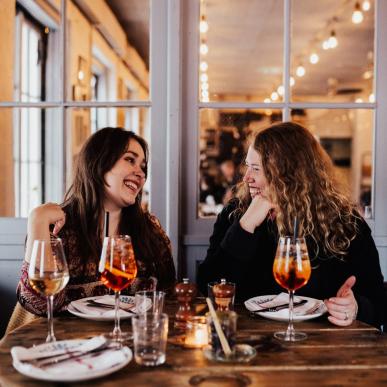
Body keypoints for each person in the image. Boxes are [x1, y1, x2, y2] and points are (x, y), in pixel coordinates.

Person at [197, 122, 387, 328]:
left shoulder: (346, 222)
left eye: (256, 168)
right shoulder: (236, 212)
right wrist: (246, 226)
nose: (246, 177)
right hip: (247, 338)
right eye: (247, 166)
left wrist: (356, 307)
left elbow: (378, 301)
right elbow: (208, 286)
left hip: (322, 346)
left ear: (287, 176)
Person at [17, 127, 176, 316]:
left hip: (132, 340)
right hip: (71, 342)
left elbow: (168, 298)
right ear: (99, 163)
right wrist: (37, 220)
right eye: (130, 160)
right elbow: (41, 305)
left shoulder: (150, 229)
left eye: (143, 167)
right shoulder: (59, 229)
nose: (141, 174)